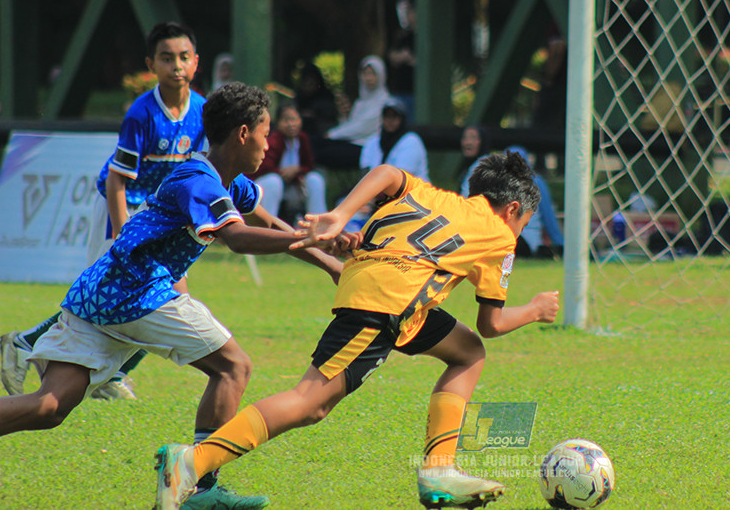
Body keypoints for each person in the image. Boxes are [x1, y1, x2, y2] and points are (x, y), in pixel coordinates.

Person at [0, 83, 347, 510]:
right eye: (265, 132)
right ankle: (201, 487)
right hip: (138, 291)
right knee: (233, 367)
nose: (268, 143)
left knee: (48, 407)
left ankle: (198, 484)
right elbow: (236, 238)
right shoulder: (198, 180)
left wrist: (330, 263)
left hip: (98, 294)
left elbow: (272, 226)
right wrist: (310, 243)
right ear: (242, 133)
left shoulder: (228, 181)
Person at [153, 152, 560, 510]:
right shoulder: (501, 235)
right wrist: (536, 309)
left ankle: (439, 470)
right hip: (387, 303)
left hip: (381, 293)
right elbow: (493, 323)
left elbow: (385, 172)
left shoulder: (432, 195)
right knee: (309, 401)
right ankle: (192, 462)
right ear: (511, 210)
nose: (519, 232)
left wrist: (341, 214)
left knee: (467, 352)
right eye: (523, 223)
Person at [0, 21, 209, 402]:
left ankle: (112, 374)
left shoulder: (203, 112)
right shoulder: (142, 114)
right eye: (166, 58)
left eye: (183, 57)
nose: (176, 66)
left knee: (164, 295)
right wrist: (122, 233)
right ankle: (25, 344)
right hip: (122, 207)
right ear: (152, 64)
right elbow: (117, 180)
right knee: (109, 292)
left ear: (196, 63)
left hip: (160, 215)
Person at [250, 101, 327, 223]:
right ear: (279, 123)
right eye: (286, 120)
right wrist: (283, 173)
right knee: (273, 182)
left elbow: (309, 165)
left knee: (314, 179)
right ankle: (267, 224)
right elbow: (265, 167)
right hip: (269, 185)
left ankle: (318, 223)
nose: (291, 124)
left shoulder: (302, 139)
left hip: (294, 185)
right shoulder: (274, 140)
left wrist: (297, 171)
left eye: (294, 120)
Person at [313, 55, 390, 170]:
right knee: (315, 143)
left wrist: (333, 134)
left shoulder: (383, 101)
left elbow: (361, 128)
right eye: (365, 74)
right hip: (351, 142)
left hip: (366, 147)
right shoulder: (360, 102)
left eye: (373, 74)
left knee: (321, 153)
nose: (369, 78)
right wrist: (343, 116)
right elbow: (350, 125)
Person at [505, 146, 564, 258]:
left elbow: (548, 216)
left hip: (525, 239)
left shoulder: (535, 183)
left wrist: (559, 243)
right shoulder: (499, 184)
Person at [359, 97, 429, 182]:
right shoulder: (372, 142)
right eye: (387, 116)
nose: (390, 120)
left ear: (402, 119)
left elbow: (400, 180)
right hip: (376, 191)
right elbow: (364, 175)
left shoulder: (411, 141)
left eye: (394, 116)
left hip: (411, 192)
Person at [294, 61, 339, 139]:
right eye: (306, 81)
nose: (309, 84)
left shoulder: (326, 97)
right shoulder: (299, 96)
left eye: (312, 81)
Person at [458, 125, 492, 197]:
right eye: (465, 138)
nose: (468, 142)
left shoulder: (483, 167)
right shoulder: (470, 167)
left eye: (473, 138)